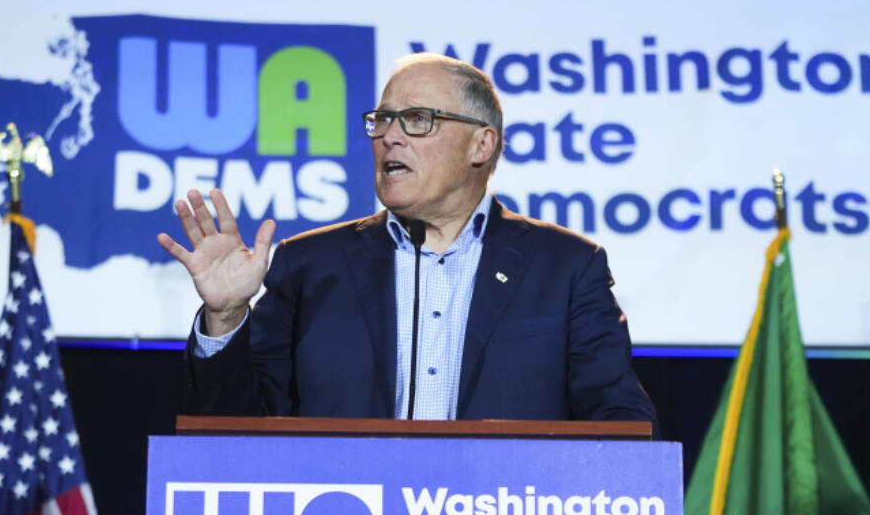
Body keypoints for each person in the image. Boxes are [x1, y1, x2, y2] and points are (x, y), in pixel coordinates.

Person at [158, 52, 655, 426]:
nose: (390, 136)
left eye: (419, 120)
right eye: (382, 120)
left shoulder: (566, 268)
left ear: (482, 144)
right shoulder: (308, 267)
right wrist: (225, 318)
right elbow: (237, 432)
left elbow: (620, 426)